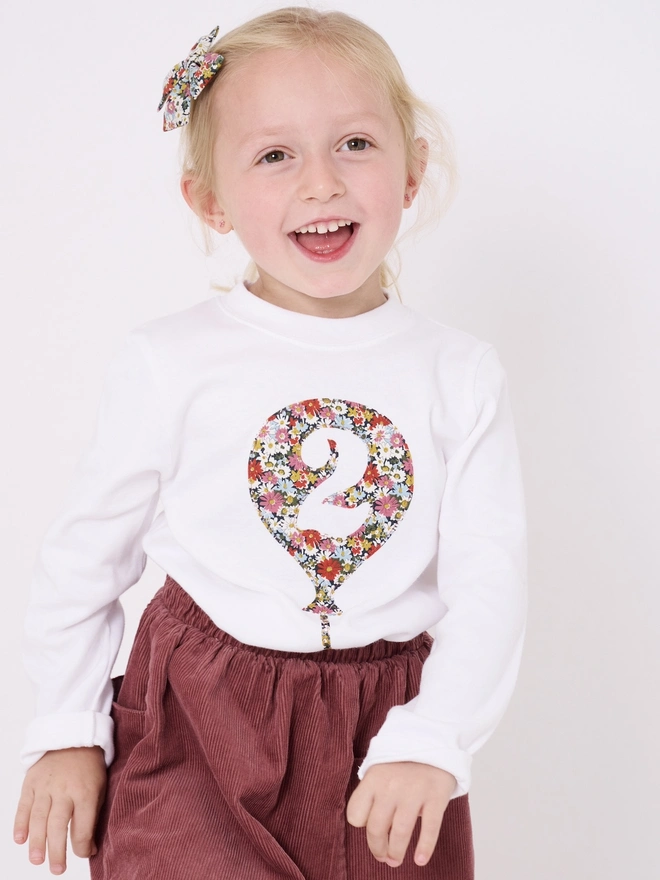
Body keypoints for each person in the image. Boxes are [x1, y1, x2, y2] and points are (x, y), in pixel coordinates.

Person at [13, 8, 527, 879]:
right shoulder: (171, 361)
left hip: (386, 723)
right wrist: (66, 725)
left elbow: (491, 580)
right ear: (209, 199)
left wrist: (436, 736)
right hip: (198, 720)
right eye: (275, 155)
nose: (321, 183)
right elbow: (86, 557)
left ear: (412, 172)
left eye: (356, 144)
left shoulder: (458, 372)